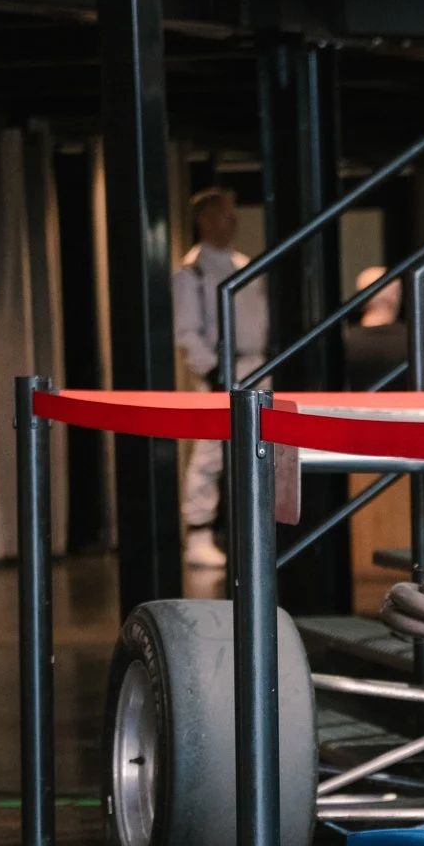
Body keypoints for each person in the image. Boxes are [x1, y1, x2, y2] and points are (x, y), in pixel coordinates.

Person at [171, 187, 270, 568]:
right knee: (212, 449)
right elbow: (187, 330)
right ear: (204, 219)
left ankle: (250, 524)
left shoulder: (243, 262)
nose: (233, 222)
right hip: (222, 368)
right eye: (224, 214)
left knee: (260, 445)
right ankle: (198, 529)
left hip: (256, 364)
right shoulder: (192, 271)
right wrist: (211, 369)